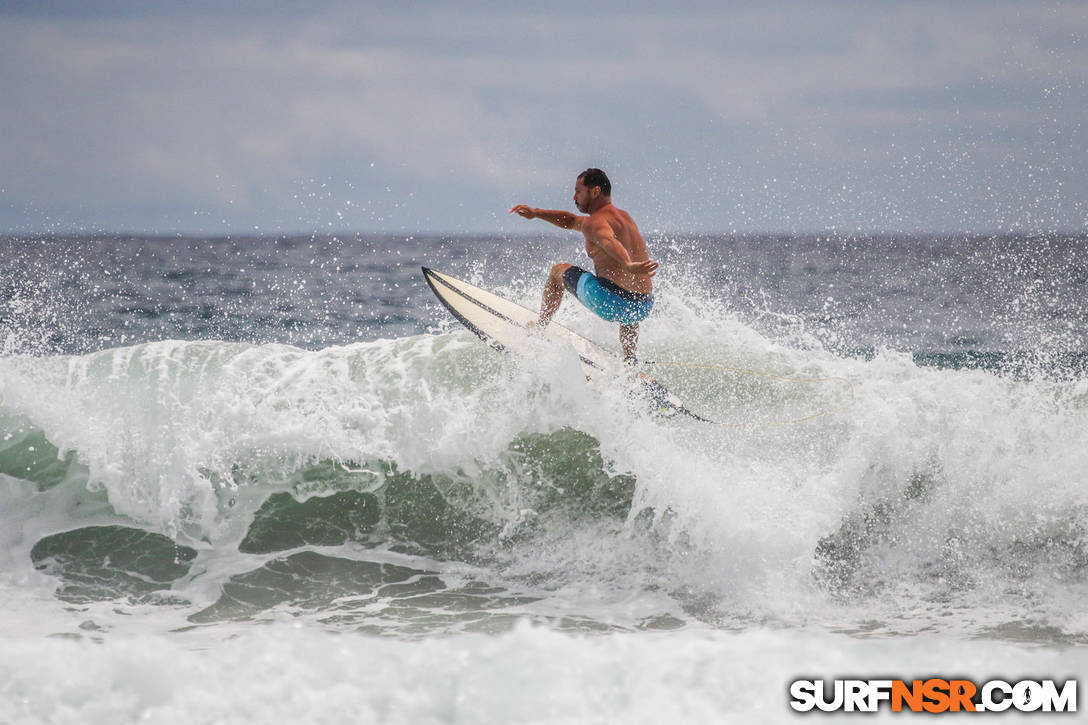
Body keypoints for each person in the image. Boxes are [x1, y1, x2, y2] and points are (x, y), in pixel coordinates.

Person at [510, 168, 659, 362]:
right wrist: (536, 213)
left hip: (610, 302)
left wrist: (628, 264)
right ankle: (630, 359)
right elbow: (571, 220)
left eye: (578, 191)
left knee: (558, 271)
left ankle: (539, 329)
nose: (574, 197)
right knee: (628, 297)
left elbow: (608, 241)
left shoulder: (595, 222)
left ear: (595, 191)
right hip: (641, 307)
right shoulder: (624, 218)